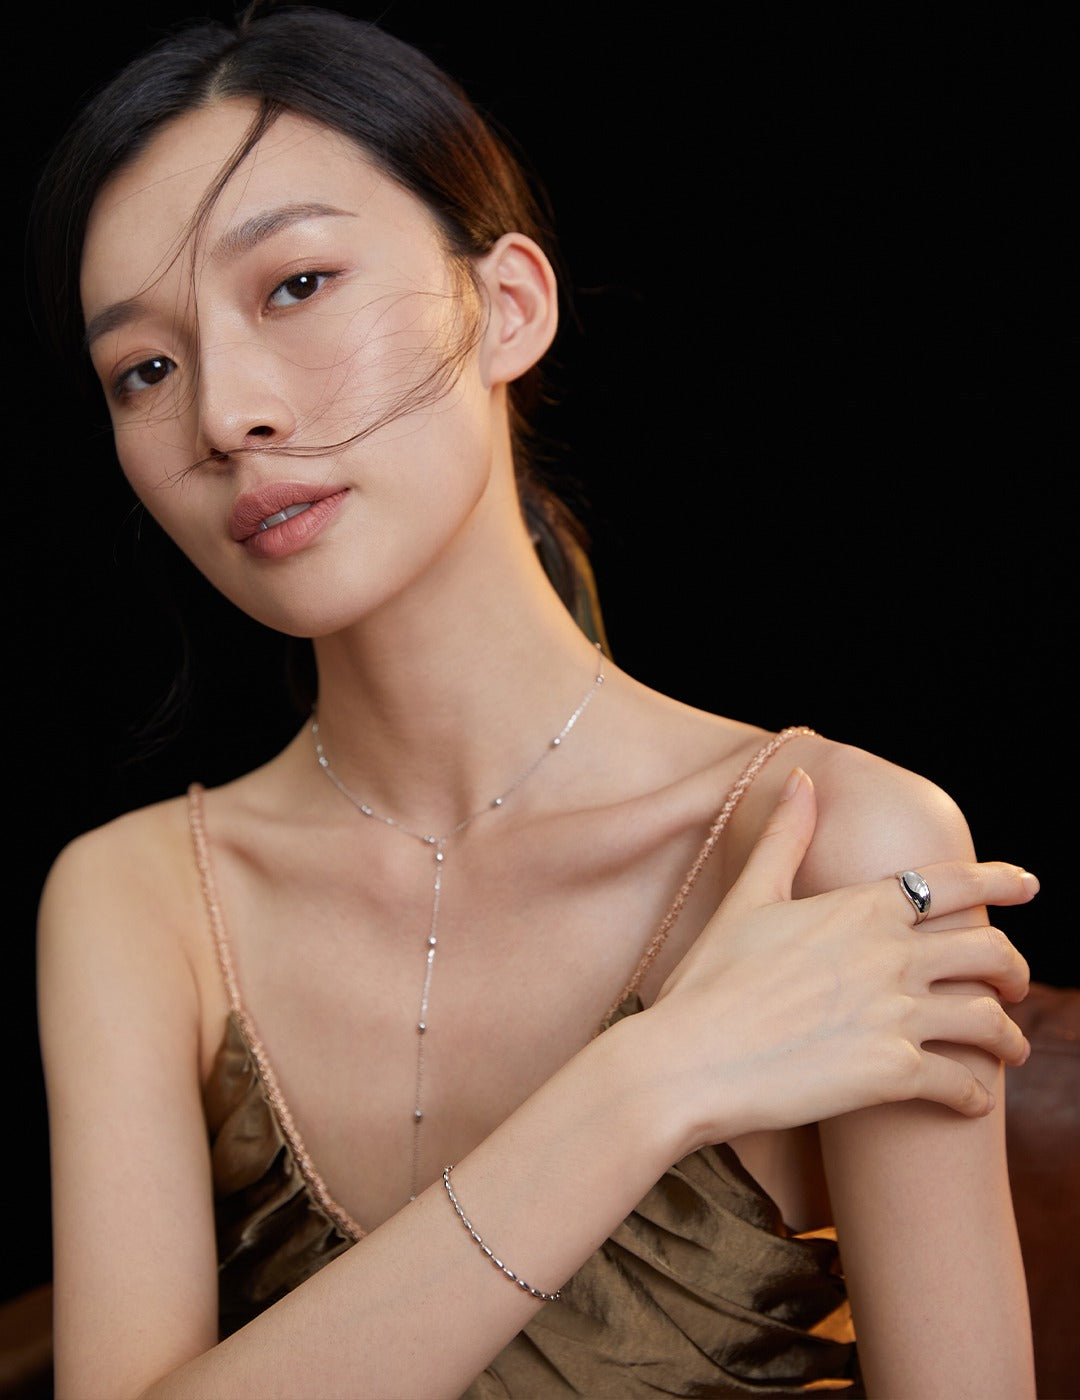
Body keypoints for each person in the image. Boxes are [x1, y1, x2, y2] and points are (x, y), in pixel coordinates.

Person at [30, 6, 1039, 1396]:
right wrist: (654, 1081)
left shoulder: (839, 851)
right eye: (146, 368)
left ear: (508, 305)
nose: (224, 414)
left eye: (296, 286)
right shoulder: (138, 900)